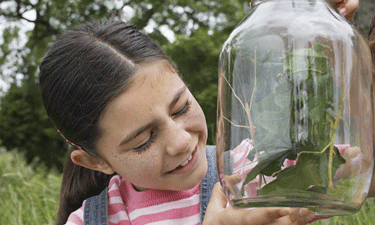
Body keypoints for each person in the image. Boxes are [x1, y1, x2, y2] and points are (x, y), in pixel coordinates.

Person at [38, 1, 359, 225]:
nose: (180, 141)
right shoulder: (91, 221)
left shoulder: (253, 172)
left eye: (180, 107)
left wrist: (341, 45)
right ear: (95, 161)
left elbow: (361, 161)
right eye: (143, 140)